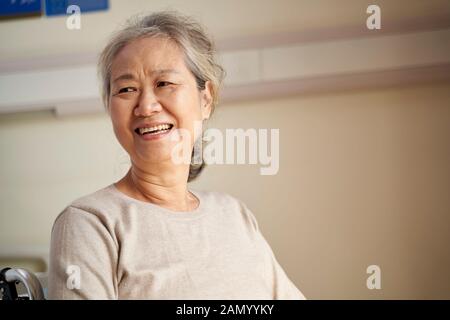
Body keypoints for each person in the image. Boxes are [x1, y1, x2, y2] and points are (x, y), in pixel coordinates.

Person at [48, 11, 305, 300]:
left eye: (164, 83)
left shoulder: (234, 214)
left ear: (205, 99)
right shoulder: (91, 223)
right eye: (126, 89)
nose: (146, 106)